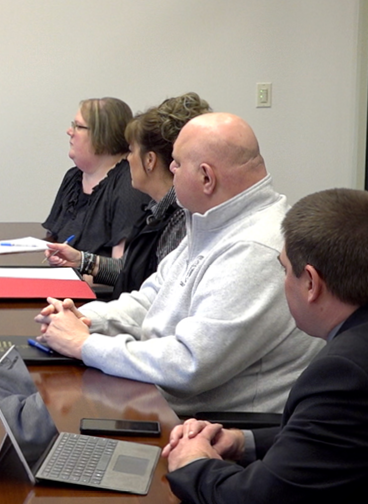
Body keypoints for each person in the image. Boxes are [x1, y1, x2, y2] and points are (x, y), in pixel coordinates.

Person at [163, 188, 368, 504]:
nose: (282, 283)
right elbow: (349, 437)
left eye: (284, 269)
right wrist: (244, 441)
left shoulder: (348, 372)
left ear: (310, 282)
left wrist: (192, 464)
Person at [35, 113, 323, 415]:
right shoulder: (213, 220)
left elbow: (190, 365)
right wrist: (84, 318)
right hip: (164, 404)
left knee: (57, 418)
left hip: (212, 431)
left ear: (206, 178)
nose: (170, 169)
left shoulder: (255, 249)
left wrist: (84, 346)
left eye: (177, 163)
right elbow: (152, 299)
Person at [46, 93, 210, 297]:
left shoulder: (180, 220)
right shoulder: (159, 211)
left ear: (149, 161)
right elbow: (130, 271)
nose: (127, 159)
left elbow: (158, 296)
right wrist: (82, 260)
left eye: (131, 151)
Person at [41, 97, 149, 259]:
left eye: (78, 126)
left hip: (94, 283)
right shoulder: (73, 178)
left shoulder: (129, 186)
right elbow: (53, 238)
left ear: (103, 134)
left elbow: (121, 269)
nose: (69, 131)